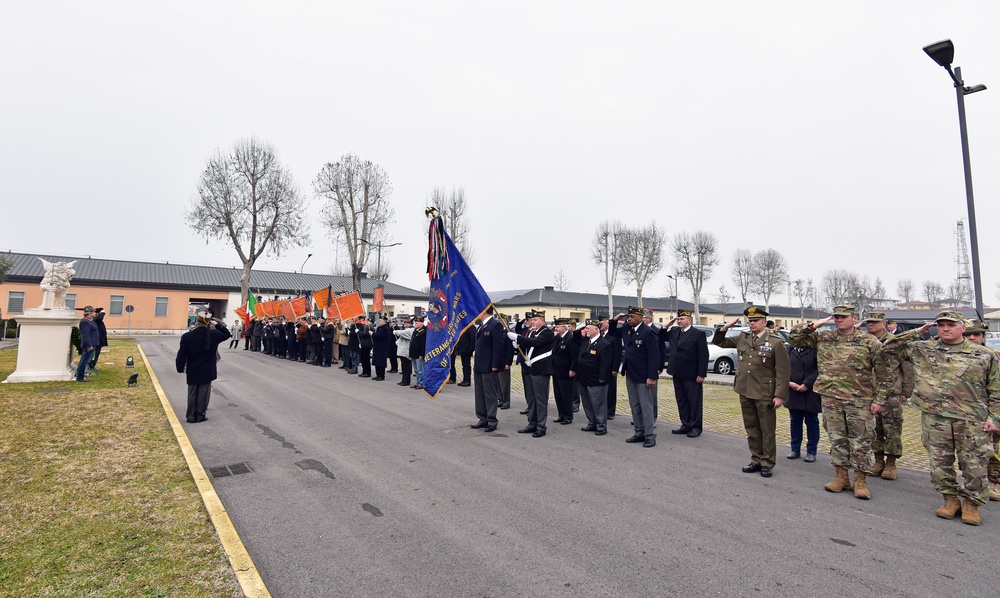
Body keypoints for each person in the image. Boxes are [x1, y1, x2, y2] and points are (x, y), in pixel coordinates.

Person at [881, 312, 1000, 525]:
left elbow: (996, 389)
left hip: (972, 419)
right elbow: (888, 347)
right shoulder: (923, 349)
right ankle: (950, 499)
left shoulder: (984, 355)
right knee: (939, 462)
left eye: (951, 325)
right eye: (941, 325)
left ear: (962, 327)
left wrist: (995, 418)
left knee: (974, 464)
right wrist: (918, 332)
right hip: (935, 418)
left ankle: (971, 504)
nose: (945, 328)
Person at [789, 305, 889, 499]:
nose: (839, 320)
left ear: (854, 317)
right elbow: (794, 338)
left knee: (861, 442)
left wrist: (880, 399)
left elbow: (884, 372)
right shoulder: (824, 338)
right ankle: (841, 476)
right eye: (836, 317)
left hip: (860, 399)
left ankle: (860, 480)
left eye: (843, 317)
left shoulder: (869, 341)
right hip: (831, 399)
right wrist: (814, 325)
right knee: (837, 440)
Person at [714, 306, 790, 477]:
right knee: (751, 428)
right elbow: (720, 342)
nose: (752, 324)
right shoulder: (744, 337)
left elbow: (784, 371)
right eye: (750, 321)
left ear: (764, 323)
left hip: (764, 391)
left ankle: (767, 462)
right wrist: (724, 329)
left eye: (755, 321)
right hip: (745, 388)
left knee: (767, 429)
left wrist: (780, 395)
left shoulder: (775, 342)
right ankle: (756, 459)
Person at [864, 311, 913, 480]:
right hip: (869, 393)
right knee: (873, 430)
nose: (870, 325)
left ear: (883, 324)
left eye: (874, 322)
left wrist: (906, 392)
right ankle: (878, 461)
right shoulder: (864, 341)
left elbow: (907, 369)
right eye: (868, 322)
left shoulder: (895, 343)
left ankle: (891, 463)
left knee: (892, 430)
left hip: (891, 393)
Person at [962, 320, 1000, 502]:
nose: (972, 337)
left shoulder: (995, 356)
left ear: (984, 337)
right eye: (968, 334)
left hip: (990, 409)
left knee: (992, 449)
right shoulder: (956, 357)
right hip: (966, 411)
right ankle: (972, 481)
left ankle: (993, 482)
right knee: (968, 450)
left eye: (976, 334)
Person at [175, 312, 231, 423]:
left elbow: (182, 354)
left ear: (196, 322)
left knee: (192, 392)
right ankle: (200, 415)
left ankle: (190, 416)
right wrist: (217, 324)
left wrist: (180, 367)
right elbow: (227, 333)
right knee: (203, 393)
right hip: (207, 368)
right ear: (209, 322)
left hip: (192, 368)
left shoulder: (187, 336)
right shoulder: (214, 334)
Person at [662, 309, 709, 438]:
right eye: (678, 319)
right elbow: (660, 336)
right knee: (681, 400)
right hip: (677, 371)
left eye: (682, 319)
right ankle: (685, 424)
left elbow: (703, 355)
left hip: (692, 373)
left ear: (689, 320)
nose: (679, 321)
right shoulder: (674, 331)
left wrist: (701, 374)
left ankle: (695, 427)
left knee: (694, 401)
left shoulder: (697, 334)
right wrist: (667, 325)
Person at [508, 309, 553, 438]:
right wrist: (519, 345)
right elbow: (529, 346)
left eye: (536, 320)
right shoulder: (533, 332)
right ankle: (532, 423)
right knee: (531, 399)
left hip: (541, 370)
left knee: (540, 400)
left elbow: (536, 343)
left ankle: (541, 426)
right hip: (530, 369)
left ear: (543, 321)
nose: (533, 322)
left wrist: (518, 337)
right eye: (532, 320)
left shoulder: (546, 333)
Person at [619, 306, 660, 448]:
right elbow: (612, 332)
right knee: (634, 405)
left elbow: (654, 356)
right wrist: (616, 319)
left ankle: (650, 435)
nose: (629, 319)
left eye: (632, 317)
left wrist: (651, 377)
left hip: (643, 376)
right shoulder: (628, 329)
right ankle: (639, 432)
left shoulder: (648, 332)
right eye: (628, 316)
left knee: (646, 406)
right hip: (630, 373)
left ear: (641, 317)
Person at [572, 318, 613, 435]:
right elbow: (575, 339)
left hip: (596, 379)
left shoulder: (604, 344)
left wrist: (602, 378)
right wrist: (579, 329)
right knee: (587, 403)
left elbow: (605, 364)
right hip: (583, 378)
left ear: (596, 329)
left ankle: (601, 426)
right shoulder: (586, 341)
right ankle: (592, 423)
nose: (587, 330)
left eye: (589, 328)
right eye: (586, 328)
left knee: (598, 403)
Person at [470, 307, 506, 432]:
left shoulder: (495, 325)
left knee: (490, 394)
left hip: (489, 365)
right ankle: (482, 418)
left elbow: (498, 346)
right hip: (479, 365)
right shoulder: (481, 325)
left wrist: (495, 364)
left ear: (484, 311)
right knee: (479, 393)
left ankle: (491, 420)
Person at [786, 344, 821, 462]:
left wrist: (807, 383)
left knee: (811, 422)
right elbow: (782, 368)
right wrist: (789, 382)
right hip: (794, 391)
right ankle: (795, 449)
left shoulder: (815, 349)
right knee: (795, 421)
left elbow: (820, 369)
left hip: (810, 392)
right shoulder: (790, 349)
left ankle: (811, 451)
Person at [550, 318, 579, 425]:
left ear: (564, 327)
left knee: (566, 395)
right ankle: (561, 415)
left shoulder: (570, 338)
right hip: (556, 370)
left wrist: (573, 369)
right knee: (558, 395)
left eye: (558, 327)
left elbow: (574, 356)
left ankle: (568, 416)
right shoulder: (557, 338)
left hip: (566, 371)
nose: (556, 328)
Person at [599, 315, 623, 420]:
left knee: (611, 390)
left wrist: (615, 368)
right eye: (599, 324)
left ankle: (610, 411)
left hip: (610, 367)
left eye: (602, 324)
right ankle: (602, 409)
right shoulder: (599, 334)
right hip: (600, 367)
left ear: (608, 323)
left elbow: (617, 353)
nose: (600, 326)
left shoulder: (614, 335)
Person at [76, 306, 99, 382]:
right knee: (84, 361)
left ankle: (80, 376)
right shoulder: (85, 321)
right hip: (89, 344)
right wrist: (89, 345)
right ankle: (80, 377)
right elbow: (85, 334)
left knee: (85, 360)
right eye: (93, 312)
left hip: (92, 343)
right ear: (89, 313)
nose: (94, 313)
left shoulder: (90, 320)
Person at [394, 319, 414, 386]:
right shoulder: (406, 330)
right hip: (402, 351)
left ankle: (406, 381)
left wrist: (395, 331)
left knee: (407, 367)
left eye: (406, 323)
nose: (404, 324)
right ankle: (403, 379)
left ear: (410, 324)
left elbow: (402, 333)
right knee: (404, 367)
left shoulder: (411, 330)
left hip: (406, 351)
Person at [371, 316, 391, 381]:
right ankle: (378, 374)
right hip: (377, 347)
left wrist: (372, 334)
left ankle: (381, 375)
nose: (379, 322)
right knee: (377, 361)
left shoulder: (385, 328)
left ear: (384, 321)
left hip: (382, 347)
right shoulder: (380, 328)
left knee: (380, 361)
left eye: (380, 320)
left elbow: (379, 336)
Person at [89, 307, 109, 373]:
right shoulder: (96, 319)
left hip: (99, 341)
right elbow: (100, 318)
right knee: (94, 355)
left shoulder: (97, 320)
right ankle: (91, 367)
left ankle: (92, 367)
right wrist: (103, 312)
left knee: (96, 355)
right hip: (96, 341)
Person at [409, 316, 427, 389]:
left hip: (419, 354)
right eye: (415, 323)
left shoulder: (423, 332)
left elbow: (423, 345)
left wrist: (421, 355)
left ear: (421, 323)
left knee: (420, 370)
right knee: (416, 370)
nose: (415, 324)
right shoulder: (416, 330)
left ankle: (421, 383)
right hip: (414, 353)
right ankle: (418, 382)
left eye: (417, 323)